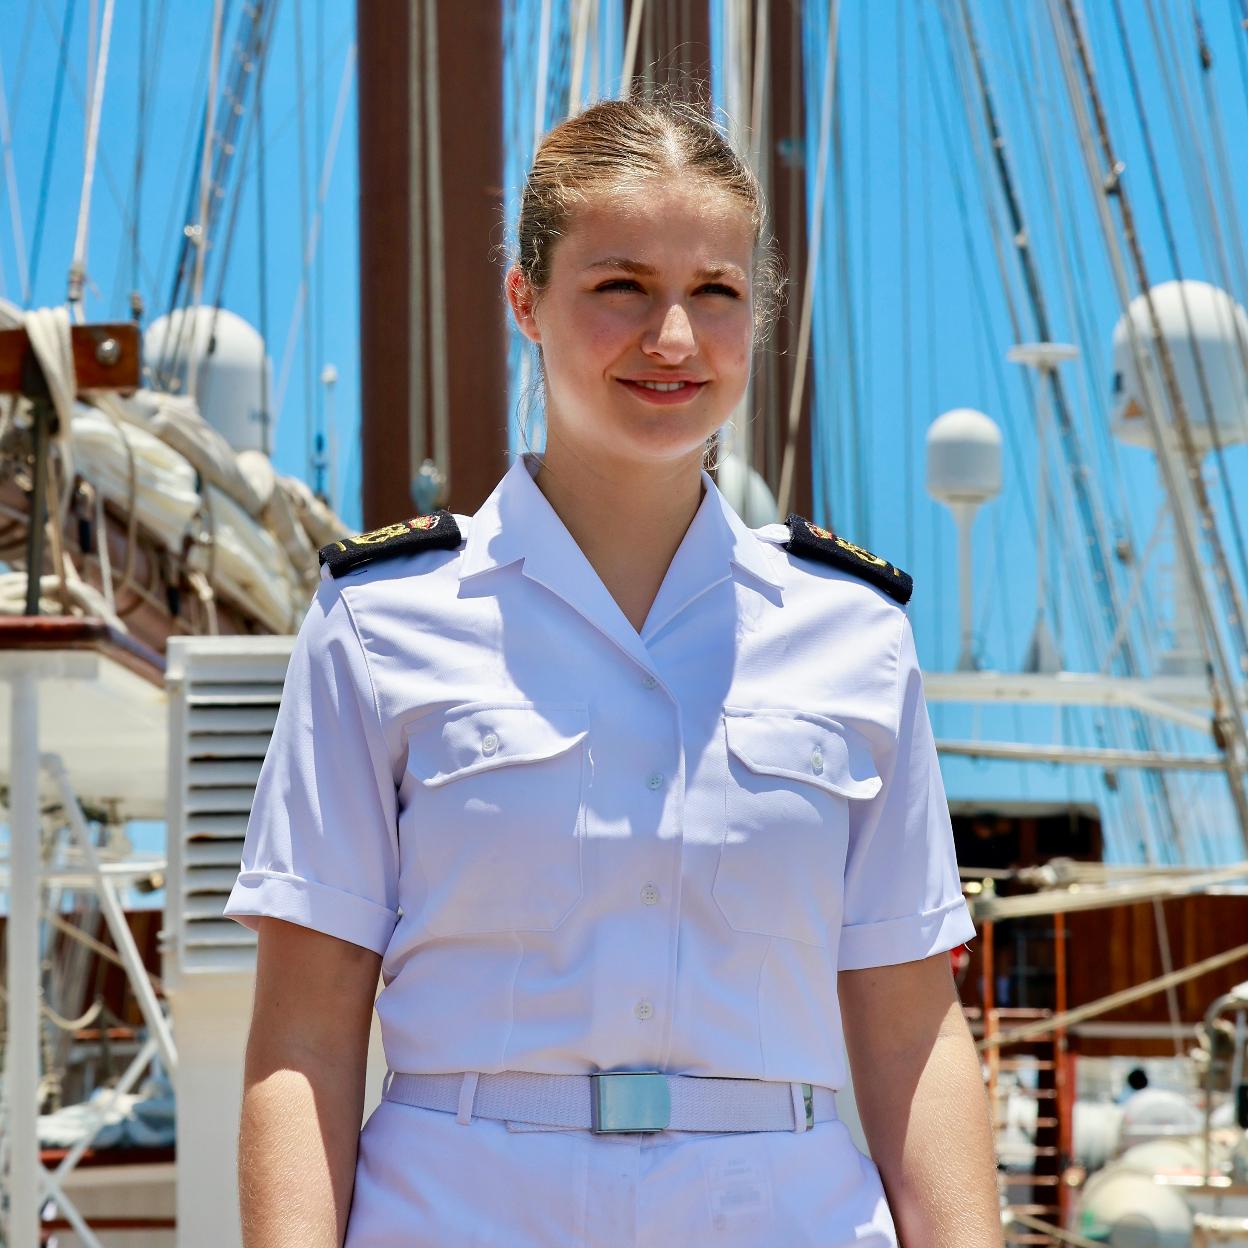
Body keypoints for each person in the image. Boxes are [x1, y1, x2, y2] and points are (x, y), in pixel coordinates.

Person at [225, 93, 1002, 1247]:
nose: (674, 339)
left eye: (717, 294)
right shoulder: (380, 622)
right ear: (525, 300)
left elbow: (911, 1032)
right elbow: (303, 1035)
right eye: (622, 286)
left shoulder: (857, 636)